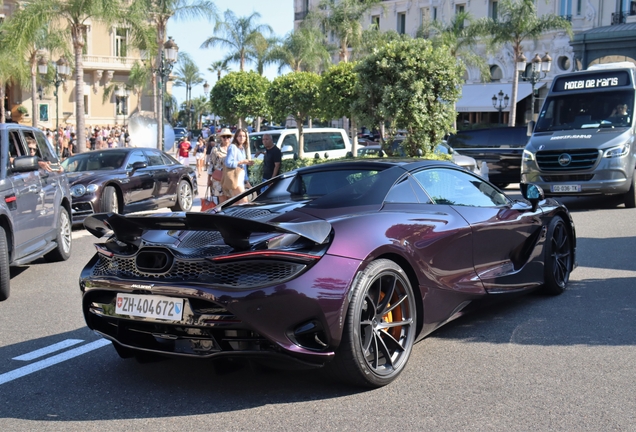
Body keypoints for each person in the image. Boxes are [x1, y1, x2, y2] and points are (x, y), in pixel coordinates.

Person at [224, 128, 254, 202]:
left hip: (241, 178)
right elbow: (228, 162)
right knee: (244, 202)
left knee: (237, 204)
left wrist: (246, 181)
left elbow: (243, 167)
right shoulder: (233, 147)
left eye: (244, 136)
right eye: (240, 136)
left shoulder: (242, 149)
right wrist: (241, 162)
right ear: (236, 137)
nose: (242, 138)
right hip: (235, 178)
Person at [208, 128, 233, 204]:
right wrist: (209, 179)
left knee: (231, 203)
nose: (226, 138)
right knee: (222, 204)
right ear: (221, 137)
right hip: (219, 179)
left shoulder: (233, 149)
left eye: (228, 136)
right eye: (224, 136)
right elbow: (211, 164)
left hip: (231, 178)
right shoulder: (215, 149)